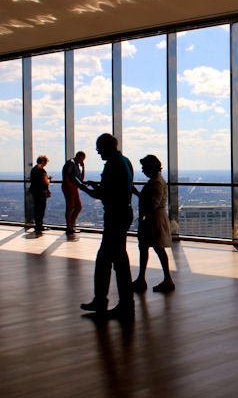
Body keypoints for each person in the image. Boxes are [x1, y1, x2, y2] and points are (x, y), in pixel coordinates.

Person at [79, 134, 135, 321]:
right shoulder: (125, 161)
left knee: (108, 259)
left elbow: (103, 194)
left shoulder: (112, 164)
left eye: (99, 147)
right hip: (124, 212)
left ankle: (110, 302)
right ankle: (120, 302)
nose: (97, 151)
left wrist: (81, 187)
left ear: (106, 146)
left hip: (115, 215)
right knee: (117, 259)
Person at [132, 155, 175, 293]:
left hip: (153, 219)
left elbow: (153, 204)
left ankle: (144, 279)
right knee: (157, 248)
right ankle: (164, 279)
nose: (143, 170)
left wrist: (143, 215)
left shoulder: (156, 182)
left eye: (144, 167)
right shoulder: (157, 181)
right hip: (155, 218)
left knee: (149, 248)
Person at [61, 151, 86, 235]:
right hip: (70, 187)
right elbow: (66, 176)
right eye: (82, 159)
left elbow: (81, 179)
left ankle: (71, 225)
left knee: (78, 206)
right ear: (79, 157)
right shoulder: (71, 163)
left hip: (74, 187)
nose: (82, 161)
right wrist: (69, 186)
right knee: (70, 207)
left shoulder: (76, 165)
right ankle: (69, 226)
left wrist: (83, 167)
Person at [29, 155, 52, 235]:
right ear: (43, 162)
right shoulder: (42, 171)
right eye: (45, 162)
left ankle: (37, 225)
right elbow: (45, 182)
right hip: (41, 192)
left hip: (35, 191)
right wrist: (49, 180)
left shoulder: (34, 170)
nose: (45, 164)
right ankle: (40, 225)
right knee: (41, 209)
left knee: (37, 208)